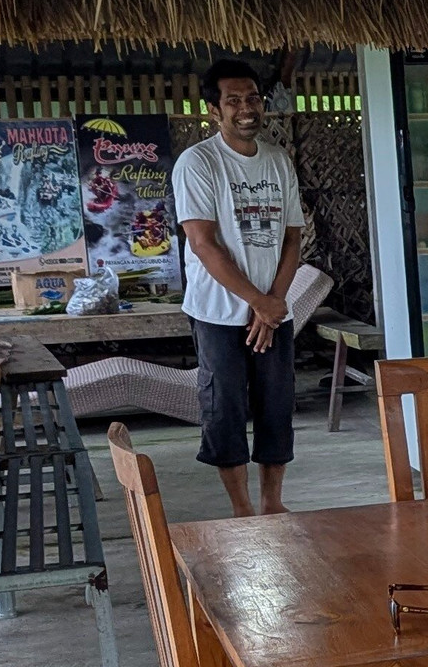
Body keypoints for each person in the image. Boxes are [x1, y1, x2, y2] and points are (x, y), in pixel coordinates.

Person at [172, 58, 304, 517]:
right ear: (213, 110)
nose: (246, 108)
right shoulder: (198, 163)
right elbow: (204, 244)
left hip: (271, 308)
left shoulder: (277, 160)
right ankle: (242, 508)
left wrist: (273, 305)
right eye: (234, 101)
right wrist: (258, 302)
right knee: (224, 407)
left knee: (276, 405)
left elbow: (292, 237)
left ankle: (272, 502)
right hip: (218, 311)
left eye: (253, 98)